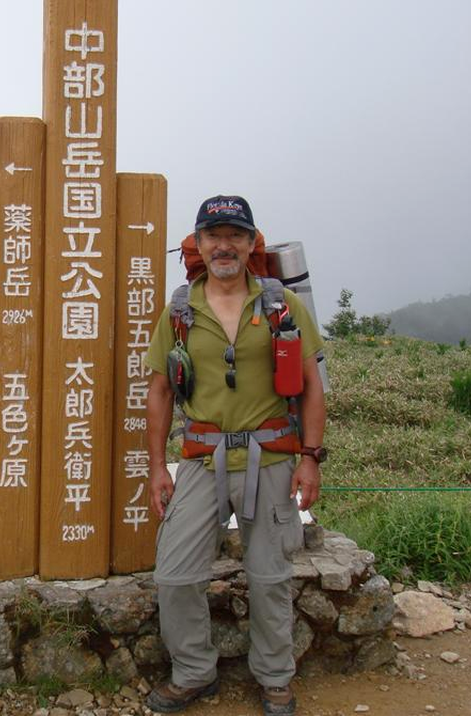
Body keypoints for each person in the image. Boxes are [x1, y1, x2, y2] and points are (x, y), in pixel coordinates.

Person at [143, 195, 327, 716]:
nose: (224, 244)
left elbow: (312, 385)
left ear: (251, 244)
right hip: (202, 459)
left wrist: (310, 457)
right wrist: (158, 466)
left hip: (271, 458)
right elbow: (159, 391)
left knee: (269, 575)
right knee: (175, 574)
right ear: (198, 245)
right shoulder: (180, 311)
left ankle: (274, 678)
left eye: (236, 235)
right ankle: (194, 673)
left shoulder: (279, 307)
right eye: (213, 235)